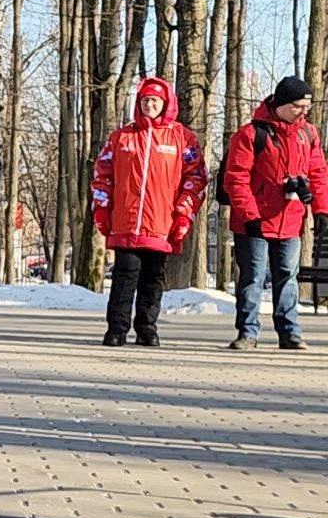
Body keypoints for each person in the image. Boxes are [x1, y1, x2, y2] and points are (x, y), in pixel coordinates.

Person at [90, 77, 207, 347]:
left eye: (154, 101)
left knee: (153, 279)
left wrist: (183, 214)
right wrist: (102, 209)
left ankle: (147, 328)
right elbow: (102, 176)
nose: (149, 105)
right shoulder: (121, 138)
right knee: (124, 276)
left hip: (162, 224)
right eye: (144, 100)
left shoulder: (182, 138)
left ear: (165, 104)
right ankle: (116, 329)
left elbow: (196, 178)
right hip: (126, 223)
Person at [222, 75, 328, 351]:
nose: (304, 111)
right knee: (253, 277)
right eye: (298, 106)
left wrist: (321, 210)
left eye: (307, 106)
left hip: (290, 220)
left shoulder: (308, 134)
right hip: (253, 223)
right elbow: (235, 178)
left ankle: (289, 332)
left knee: (287, 276)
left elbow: (318, 174)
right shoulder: (250, 134)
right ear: (281, 104)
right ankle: (248, 332)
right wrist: (250, 216)